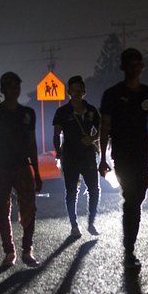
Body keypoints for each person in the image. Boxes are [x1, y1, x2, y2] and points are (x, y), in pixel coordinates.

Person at [98, 48, 148, 270]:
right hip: (121, 153)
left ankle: (130, 228)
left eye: (139, 64)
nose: (136, 68)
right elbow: (105, 126)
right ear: (123, 67)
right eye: (131, 64)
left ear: (142, 67)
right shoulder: (112, 94)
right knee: (130, 196)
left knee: (141, 190)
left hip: (142, 152)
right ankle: (129, 249)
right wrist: (102, 158)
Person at [0, 72, 42, 267]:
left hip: (22, 166)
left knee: (29, 208)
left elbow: (32, 144)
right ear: (2, 89)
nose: (13, 89)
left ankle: (27, 249)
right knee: (2, 209)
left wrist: (37, 171)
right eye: (9, 86)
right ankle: (9, 251)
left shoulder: (27, 114)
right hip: (0, 167)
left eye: (16, 86)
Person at [52, 76, 101, 237]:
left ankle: (91, 222)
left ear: (84, 92)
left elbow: (103, 130)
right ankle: (74, 224)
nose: (77, 93)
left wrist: (93, 139)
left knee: (94, 189)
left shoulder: (92, 110)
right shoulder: (62, 111)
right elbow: (56, 133)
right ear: (69, 92)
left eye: (80, 89)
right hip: (70, 156)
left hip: (88, 155)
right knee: (71, 191)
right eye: (74, 90)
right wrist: (58, 152)